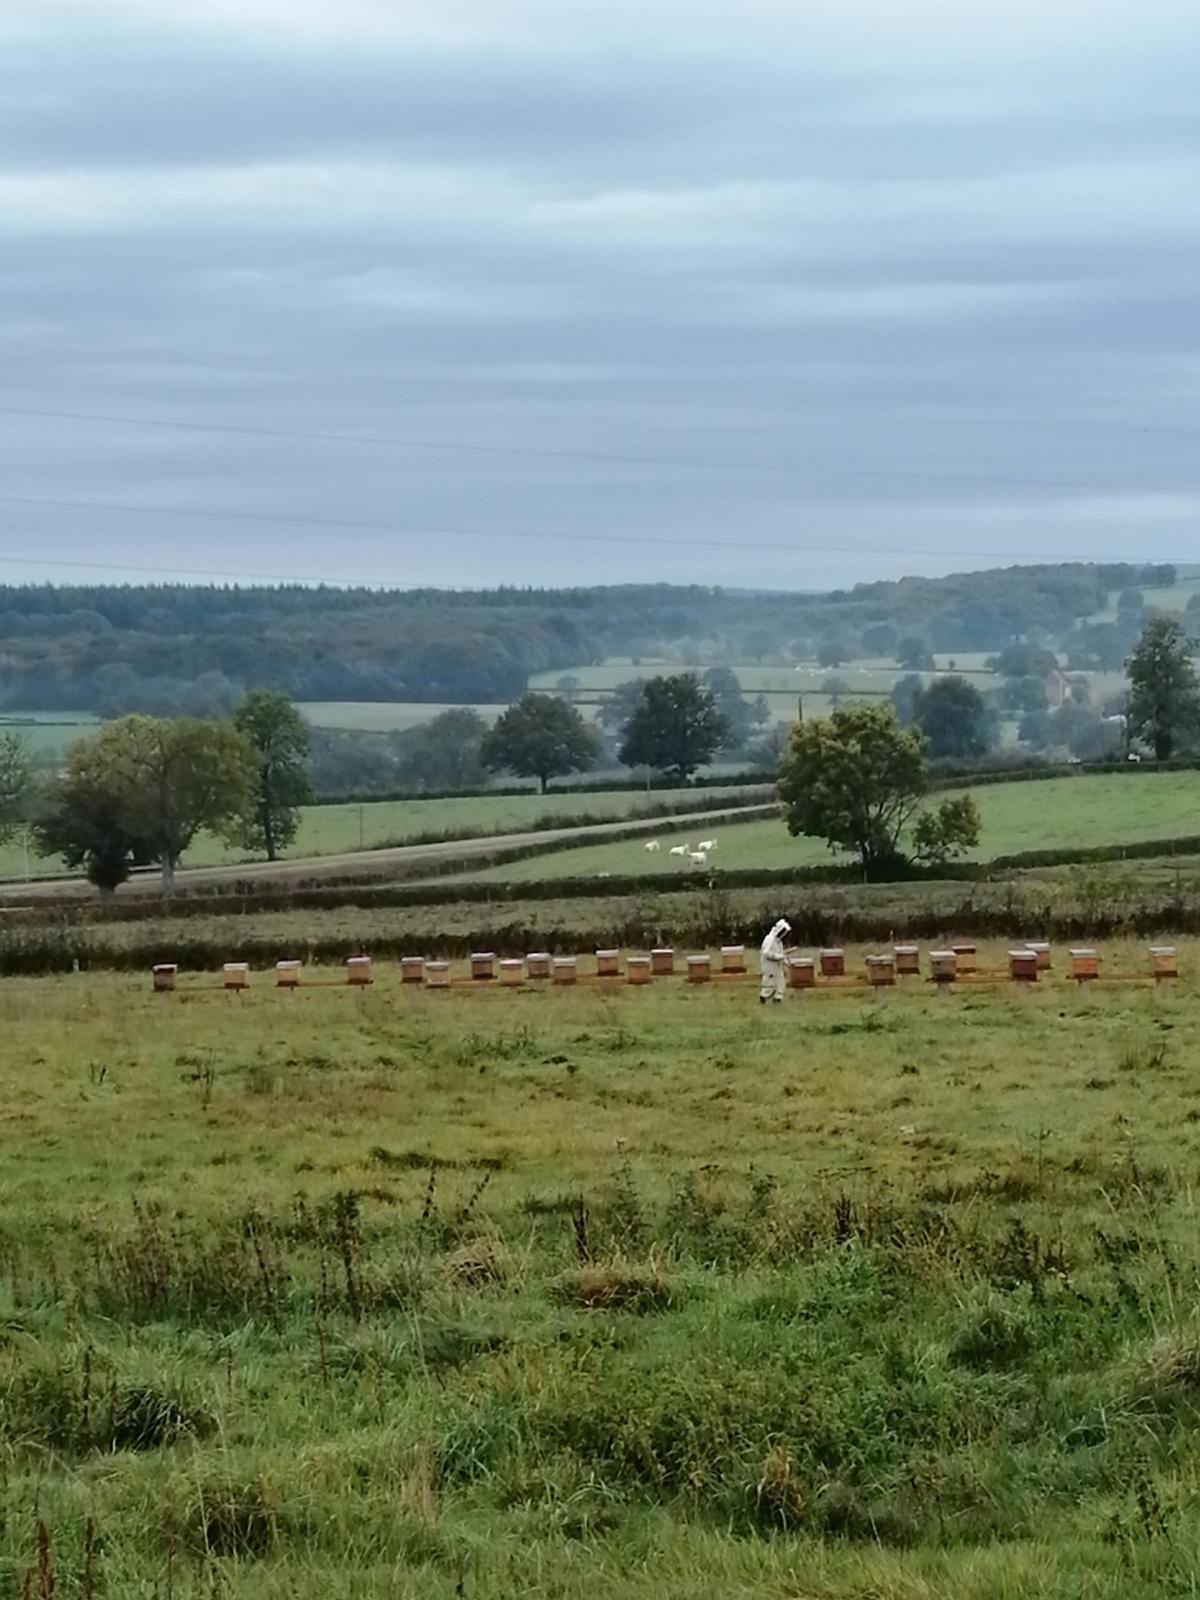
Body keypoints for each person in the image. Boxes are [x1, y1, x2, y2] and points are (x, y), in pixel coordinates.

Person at [759, 918, 791, 1003]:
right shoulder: (769, 939)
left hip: (777, 966)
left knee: (780, 983)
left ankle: (777, 1000)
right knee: (770, 985)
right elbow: (766, 953)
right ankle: (763, 998)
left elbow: (781, 954)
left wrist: (786, 962)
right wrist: (778, 957)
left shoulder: (778, 942)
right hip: (769, 966)